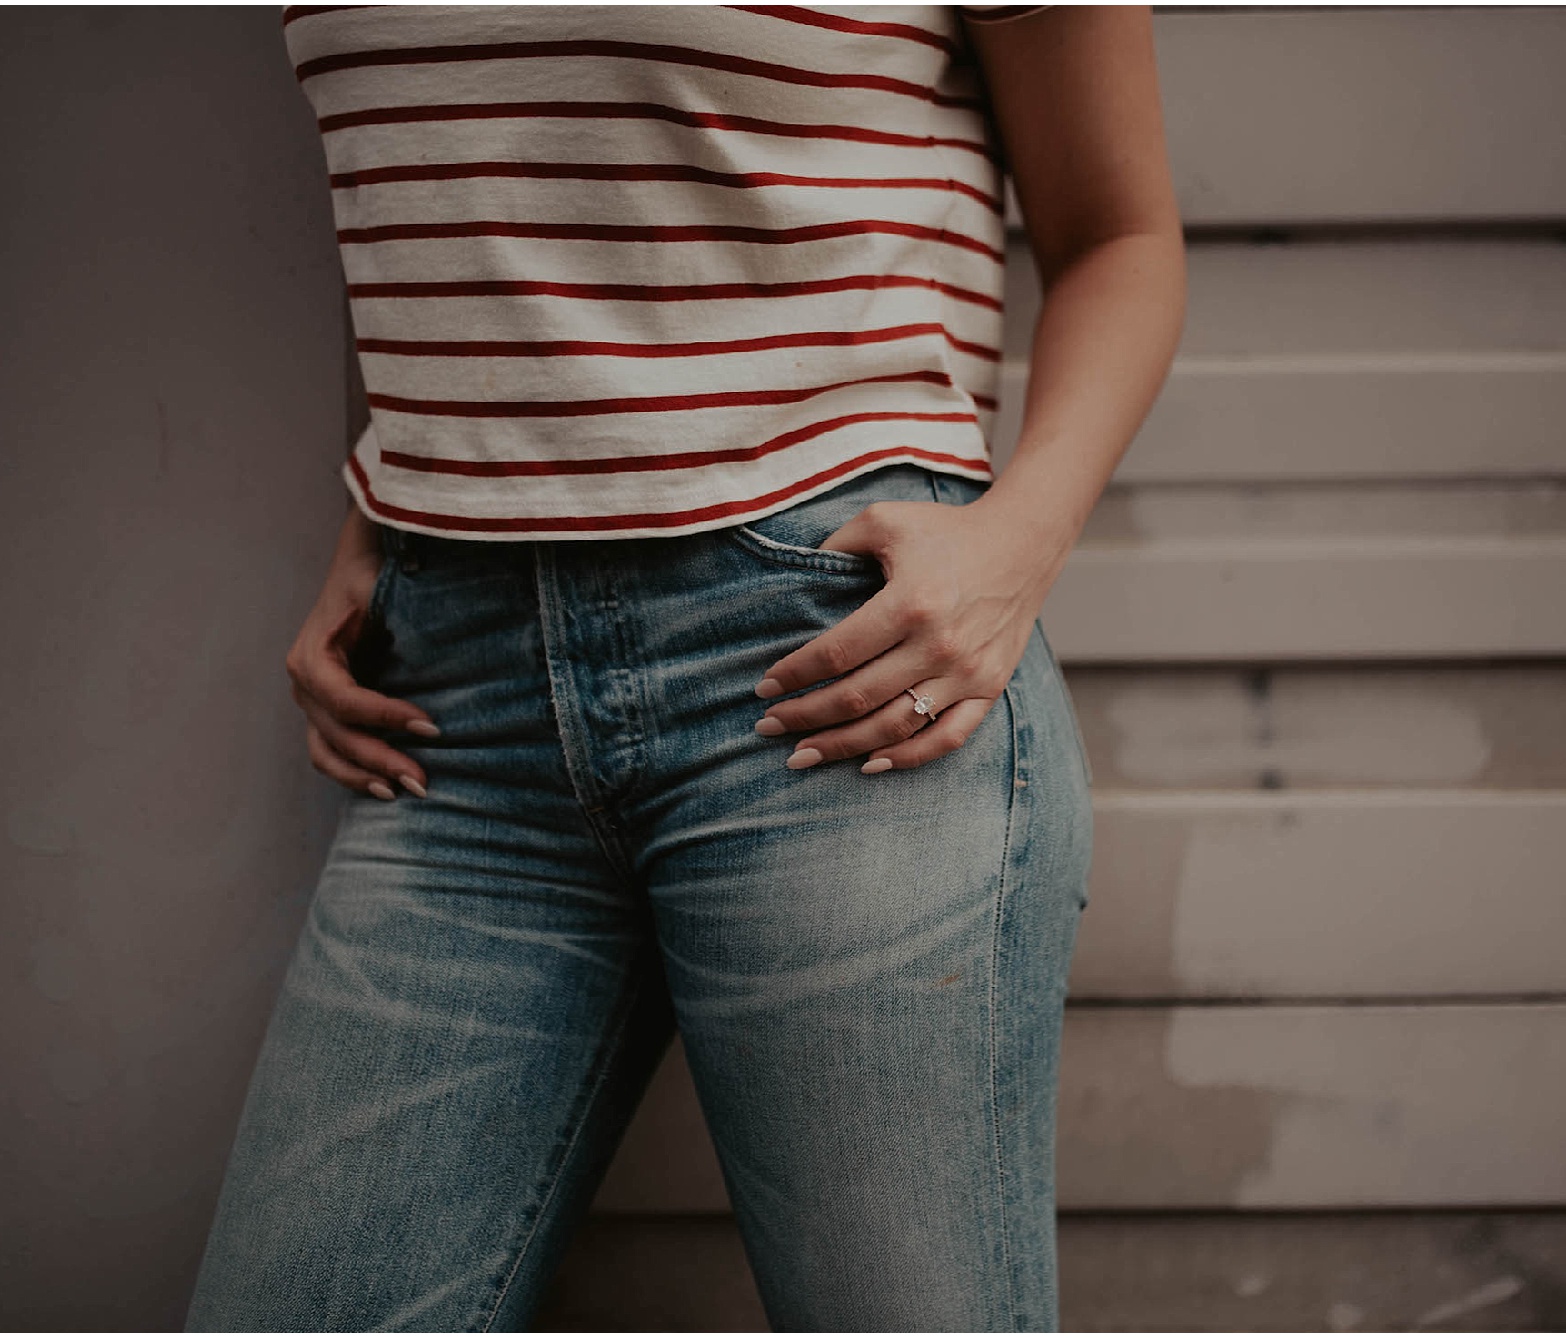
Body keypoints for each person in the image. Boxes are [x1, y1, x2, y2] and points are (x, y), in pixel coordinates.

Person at [185, 4, 1183, 1331]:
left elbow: (1121, 234)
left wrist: (1018, 539)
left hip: (834, 677)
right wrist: (391, 506)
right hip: (453, 711)